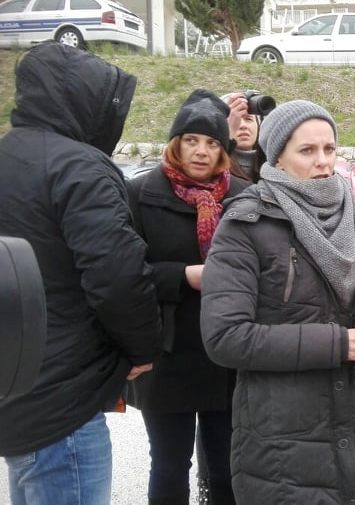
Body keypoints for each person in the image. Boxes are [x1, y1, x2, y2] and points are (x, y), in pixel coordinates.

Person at [199, 100, 355, 503]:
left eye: (330, 148)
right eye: (307, 151)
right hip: (280, 441)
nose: (323, 162)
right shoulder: (245, 223)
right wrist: (339, 344)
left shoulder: (351, 213)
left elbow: (350, 309)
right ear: (279, 157)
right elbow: (225, 337)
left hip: (350, 424)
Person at [0, 41, 162, 504]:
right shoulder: (80, 168)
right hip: (64, 402)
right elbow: (117, 274)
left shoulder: (8, 156)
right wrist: (142, 348)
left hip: (17, 385)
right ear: (80, 100)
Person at [125, 89, 249, 504]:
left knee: (228, 464)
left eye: (213, 143)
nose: (201, 152)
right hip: (167, 353)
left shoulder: (242, 195)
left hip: (226, 352)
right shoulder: (141, 194)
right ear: (175, 142)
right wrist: (184, 276)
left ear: (224, 149)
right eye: (192, 140)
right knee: (168, 463)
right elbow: (126, 272)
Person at [221, 91, 267, 182]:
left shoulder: (273, 164)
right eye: (235, 119)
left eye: (249, 119)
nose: (242, 125)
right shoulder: (213, 165)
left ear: (259, 125)